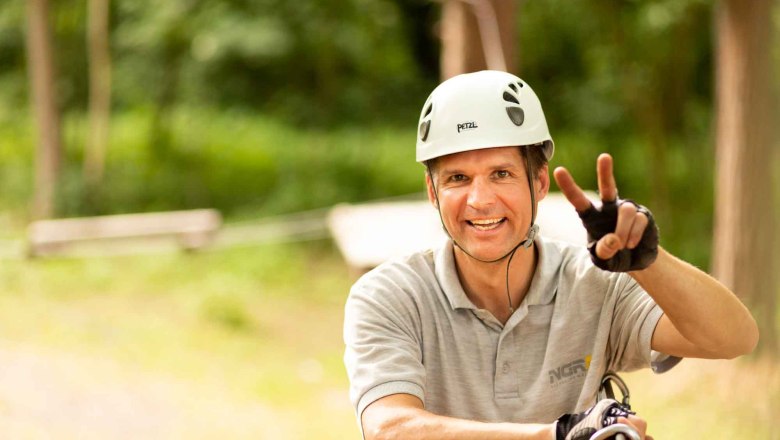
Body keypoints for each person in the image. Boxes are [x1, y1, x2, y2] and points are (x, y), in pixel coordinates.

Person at [343, 70, 758, 440]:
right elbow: (388, 429)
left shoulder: (594, 282)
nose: (479, 200)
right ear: (433, 192)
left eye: (501, 174)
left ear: (539, 182)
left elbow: (734, 339)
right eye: (457, 178)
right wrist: (558, 435)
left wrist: (649, 263)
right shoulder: (388, 295)